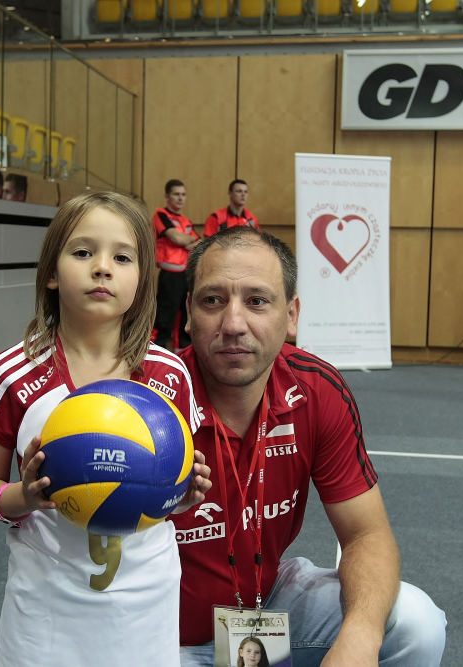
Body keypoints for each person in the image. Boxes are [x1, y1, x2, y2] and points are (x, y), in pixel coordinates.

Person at [175, 226, 446, 667]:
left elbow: (366, 535)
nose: (234, 324)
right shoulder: (149, 397)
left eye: (257, 301)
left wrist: (359, 638)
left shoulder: (315, 389)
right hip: (159, 632)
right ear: (189, 312)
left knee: (416, 624)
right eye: (213, 300)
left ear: (292, 314)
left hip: (265, 606)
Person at [0, 192, 213, 667]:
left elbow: (171, 497)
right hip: (46, 600)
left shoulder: (170, 374)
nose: (102, 268)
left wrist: (183, 494)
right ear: (51, 273)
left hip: (144, 598)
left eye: (122, 257)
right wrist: (23, 497)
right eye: (83, 252)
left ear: (142, 279)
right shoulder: (11, 373)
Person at [153, 179, 200, 351]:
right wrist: (187, 240)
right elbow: (177, 238)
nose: (180, 198)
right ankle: (155, 351)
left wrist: (185, 241)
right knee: (165, 317)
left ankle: (181, 353)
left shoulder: (185, 220)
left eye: (183, 194)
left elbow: (199, 243)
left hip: (186, 274)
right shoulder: (161, 215)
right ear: (167, 196)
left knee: (185, 316)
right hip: (170, 275)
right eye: (176, 194)